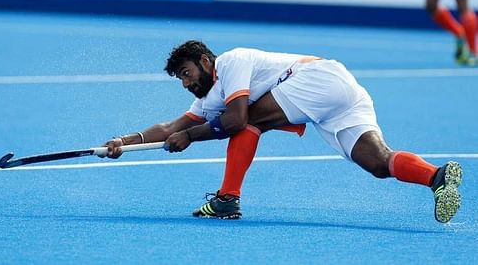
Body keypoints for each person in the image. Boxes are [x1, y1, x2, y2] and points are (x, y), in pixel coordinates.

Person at [102, 40, 463, 223]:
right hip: (338, 98)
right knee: (378, 163)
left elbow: (236, 121)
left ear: (205, 62)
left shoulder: (233, 62)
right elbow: (170, 127)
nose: (184, 82)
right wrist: (123, 141)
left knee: (249, 121)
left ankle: (227, 198)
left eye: (185, 73)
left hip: (318, 79)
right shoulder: (209, 99)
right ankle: (436, 176)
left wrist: (191, 137)